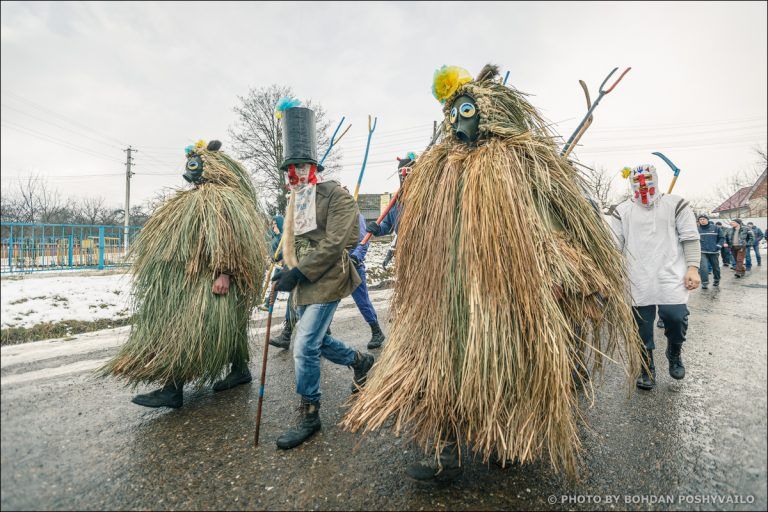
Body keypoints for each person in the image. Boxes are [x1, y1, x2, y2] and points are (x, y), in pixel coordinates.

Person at [343, 64, 642, 483]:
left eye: (464, 111)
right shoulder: (435, 168)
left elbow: (550, 227)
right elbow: (418, 227)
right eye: (452, 114)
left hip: (498, 294)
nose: (456, 122)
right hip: (443, 295)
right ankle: (443, 449)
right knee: (437, 372)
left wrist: (566, 274)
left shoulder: (517, 162)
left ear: (487, 112)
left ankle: (503, 438)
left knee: (500, 370)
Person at [101, 140, 269, 408]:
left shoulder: (219, 199)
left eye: (195, 165)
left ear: (211, 167)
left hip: (208, 278)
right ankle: (240, 370)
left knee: (189, 328)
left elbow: (226, 238)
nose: (189, 172)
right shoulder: (203, 196)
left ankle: (172, 388)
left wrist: (224, 272)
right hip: (195, 274)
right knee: (230, 325)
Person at [271, 101, 375, 450]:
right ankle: (360, 361)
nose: (294, 174)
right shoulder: (293, 201)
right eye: (289, 169)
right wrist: (286, 270)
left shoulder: (337, 195)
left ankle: (310, 412)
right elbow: (292, 243)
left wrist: (300, 270)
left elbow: (334, 245)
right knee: (316, 340)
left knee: (303, 344)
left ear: (314, 166)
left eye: (300, 166)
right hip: (303, 282)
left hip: (329, 278)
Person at [610, 164, 701, 391]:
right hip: (637, 276)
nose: (643, 184)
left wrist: (692, 267)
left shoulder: (676, 204)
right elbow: (613, 245)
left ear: (656, 179)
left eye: (648, 178)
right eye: (637, 180)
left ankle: (674, 351)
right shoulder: (621, 211)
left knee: (676, 318)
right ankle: (646, 367)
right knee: (641, 326)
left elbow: (690, 237)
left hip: (670, 274)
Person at [342, 186, 386, 349]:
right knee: (328, 299)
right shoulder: (335, 218)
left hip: (354, 265)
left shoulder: (356, 217)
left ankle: (376, 331)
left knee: (362, 301)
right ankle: (324, 334)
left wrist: (356, 257)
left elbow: (364, 239)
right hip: (337, 265)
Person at [697, 214, 724, 289]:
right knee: (703, 267)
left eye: (703, 219)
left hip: (713, 252)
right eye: (700, 219)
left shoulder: (716, 228)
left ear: (707, 219)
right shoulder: (697, 229)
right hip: (702, 251)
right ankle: (704, 282)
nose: (702, 221)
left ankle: (716, 280)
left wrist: (718, 246)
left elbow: (722, 238)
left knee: (715, 267)